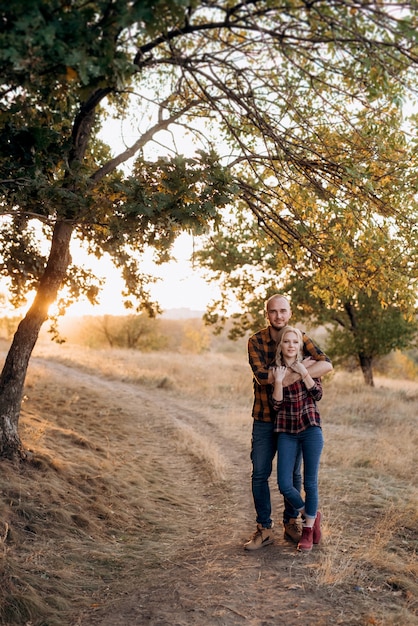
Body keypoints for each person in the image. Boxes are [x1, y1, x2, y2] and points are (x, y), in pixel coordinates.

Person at [244, 294, 332, 551]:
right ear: (267, 314)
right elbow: (262, 377)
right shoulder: (256, 341)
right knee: (260, 472)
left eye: (283, 311)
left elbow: (326, 365)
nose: (278, 316)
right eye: (273, 311)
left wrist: (285, 375)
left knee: (294, 475)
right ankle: (264, 528)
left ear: (290, 313)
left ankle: (292, 522)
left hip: (294, 423)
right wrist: (296, 371)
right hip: (265, 416)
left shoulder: (298, 336)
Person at [271, 326, 324, 552]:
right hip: (286, 431)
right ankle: (310, 515)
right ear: (281, 345)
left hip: (310, 428)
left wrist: (304, 372)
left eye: (295, 342)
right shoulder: (276, 370)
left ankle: (308, 530)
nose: (291, 345)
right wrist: (278, 382)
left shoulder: (311, 365)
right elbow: (276, 405)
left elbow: (318, 395)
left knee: (310, 483)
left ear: (299, 346)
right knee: (285, 483)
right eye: (287, 341)